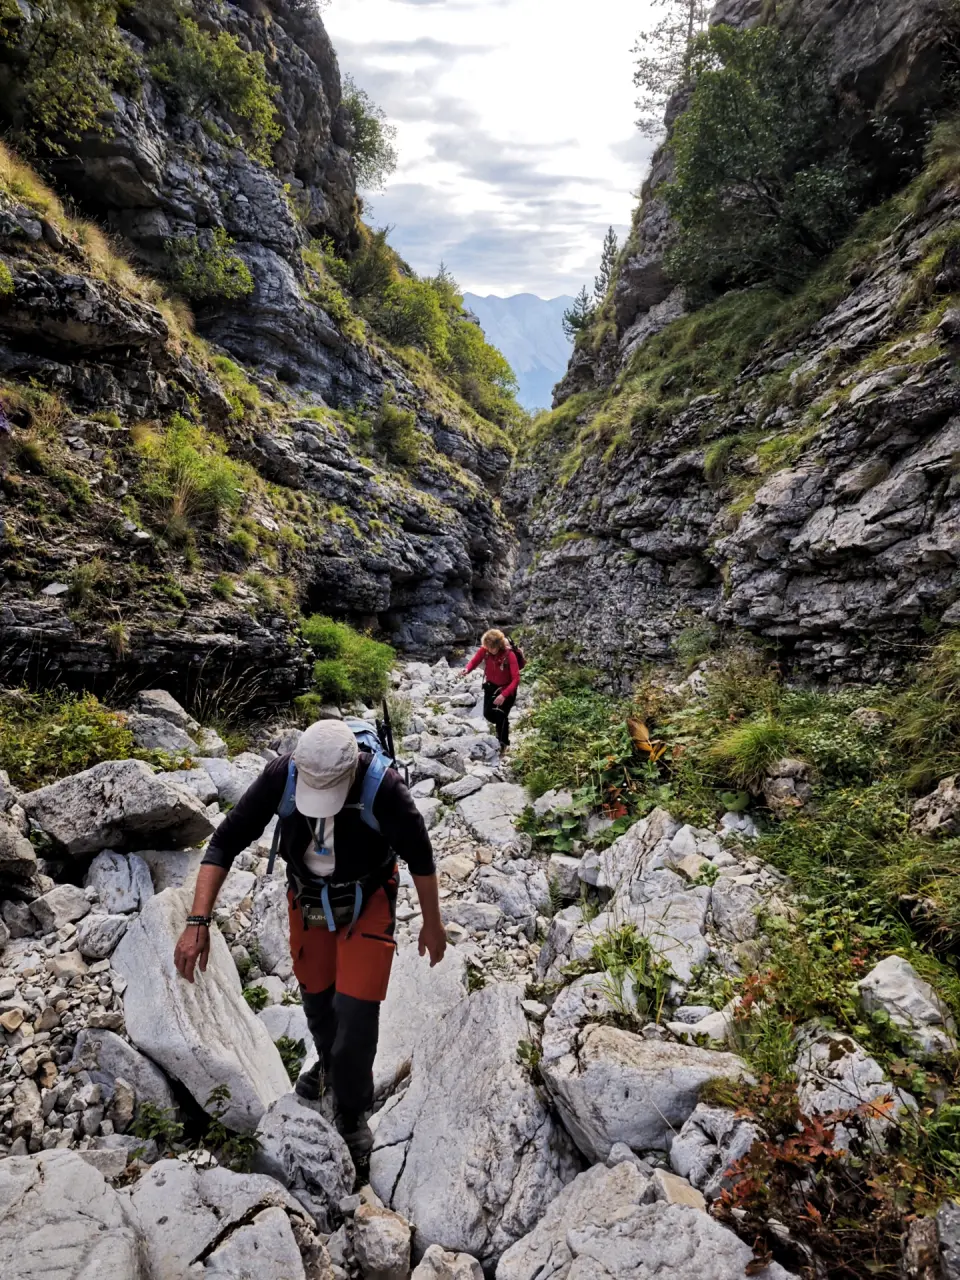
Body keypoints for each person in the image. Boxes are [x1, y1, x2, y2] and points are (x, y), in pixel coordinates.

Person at [173, 718, 446, 1165]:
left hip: (368, 896)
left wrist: (432, 924)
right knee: (318, 998)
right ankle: (328, 1065)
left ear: (352, 772)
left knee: (357, 1014)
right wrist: (197, 919)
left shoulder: (385, 788)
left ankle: (352, 1112)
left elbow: (421, 857)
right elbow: (225, 841)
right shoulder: (281, 775)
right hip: (308, 898)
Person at [461, 628, 521, 749]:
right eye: (488, 647)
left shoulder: (509, 655)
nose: (490, 650)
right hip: (491, 687)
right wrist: (467, 669)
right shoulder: (485, 650)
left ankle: (503, 743)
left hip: (506, 688)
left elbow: (516, 679)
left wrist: (504, 695)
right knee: (488, 714)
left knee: (500, 715)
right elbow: (475, 661)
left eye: (493, 648)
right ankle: (502, 728)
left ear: (499, 645)